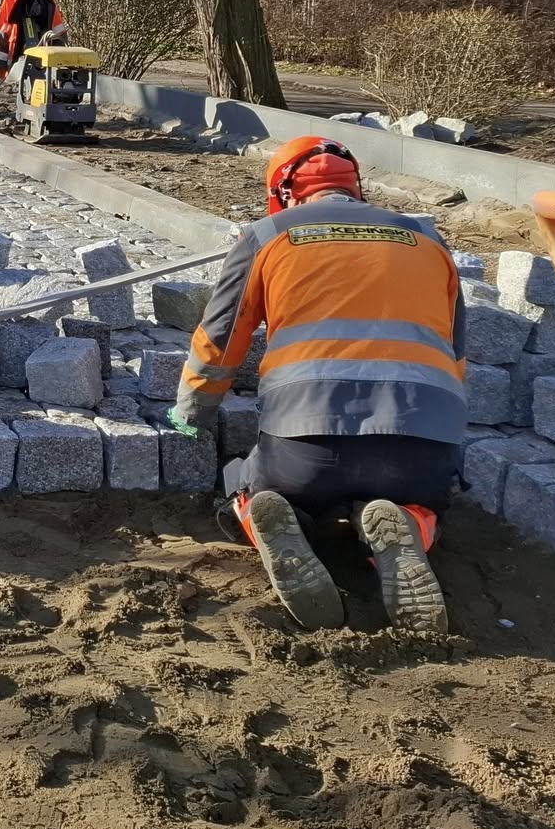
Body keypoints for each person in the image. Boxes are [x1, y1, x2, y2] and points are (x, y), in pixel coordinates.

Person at [171, 136, 466, 632]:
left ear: (283, 192)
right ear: (356, 186)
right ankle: (409, 524)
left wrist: (192, 413)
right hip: (420, 447)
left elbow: (221, 338)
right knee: (423, 499)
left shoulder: (269, 234)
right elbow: (455, 354)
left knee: (247, 482)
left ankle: (269, 513)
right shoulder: (427, 238)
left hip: (305, 447)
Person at [0, 0, 67, 83]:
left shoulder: (50, 5)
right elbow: (1, 37)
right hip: (15, 63)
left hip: (36, 64)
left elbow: (59, 38)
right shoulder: (9, 3)